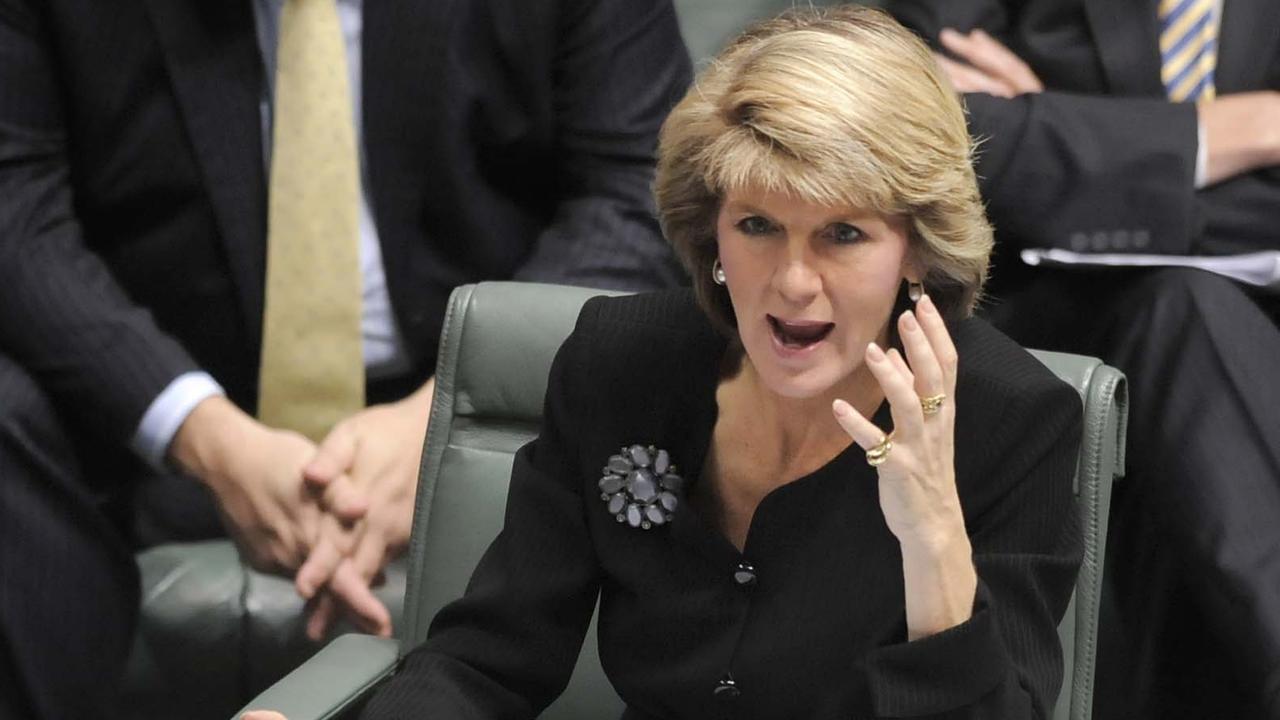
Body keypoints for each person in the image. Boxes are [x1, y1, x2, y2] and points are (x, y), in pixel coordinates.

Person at [244, 6, 1084, 719]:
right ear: (711, 232)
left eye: (843, 234)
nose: (793, 284)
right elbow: (488, 662)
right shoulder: (622, 363)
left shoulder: (1014, 420)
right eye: (757, 226)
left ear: (915, 252)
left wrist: (933, 534)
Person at [0, 0, 690, 716]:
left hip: (491, 411)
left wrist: (450, 417)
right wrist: (201, 433)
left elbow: (642, 188)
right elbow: (15, 214)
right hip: (154, 413)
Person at [881, 1, 1280, 716]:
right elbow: (936, 141)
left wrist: (1072, 133)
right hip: (1053, 316)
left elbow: (1027, 150)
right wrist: (1256, 124)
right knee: (1185, 305)